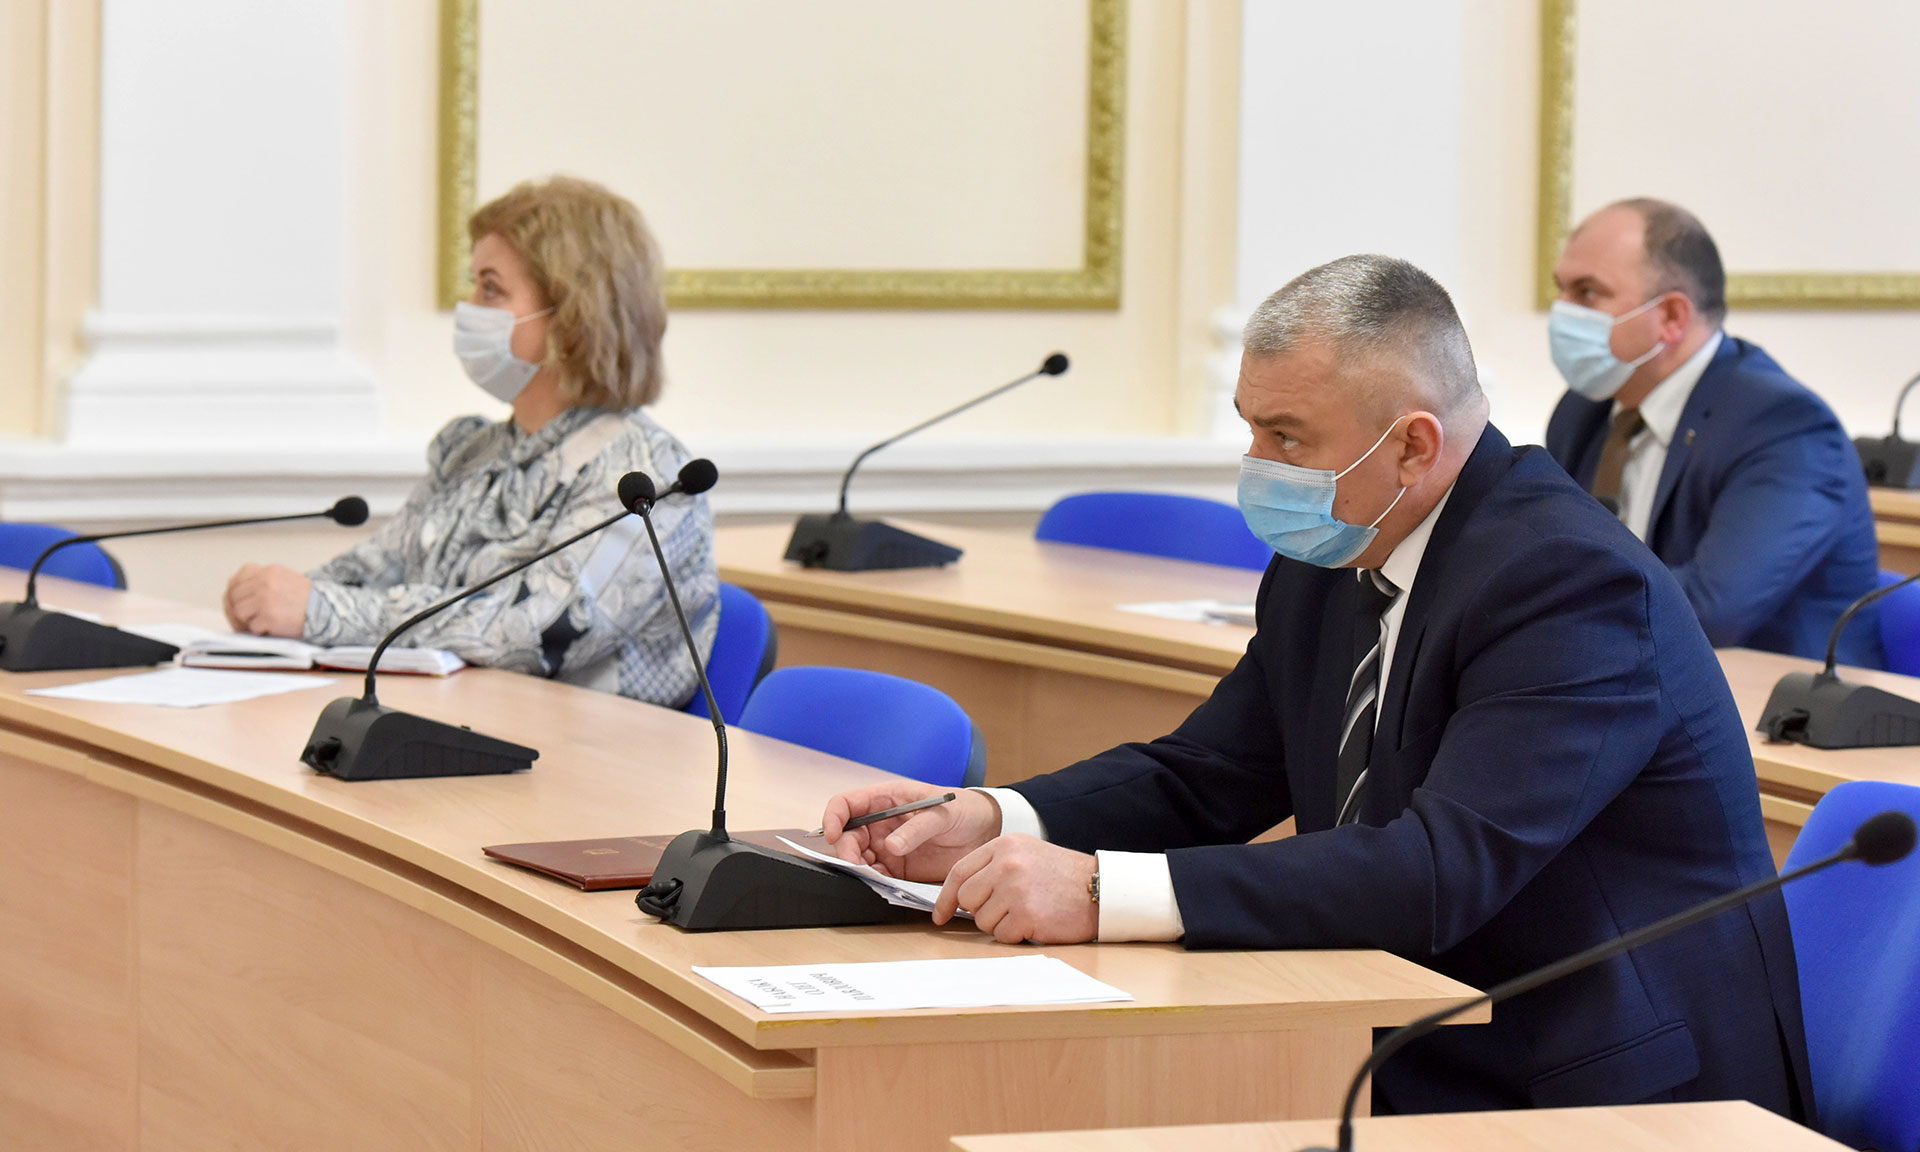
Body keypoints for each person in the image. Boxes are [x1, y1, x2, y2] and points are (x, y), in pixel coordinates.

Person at [821, 256, 1812, 1118]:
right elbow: (1209, 773)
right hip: (1407, 1023)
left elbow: (1440, 869)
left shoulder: (1568, 582)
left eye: (1288, 438)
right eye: (1251, 429)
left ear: (1414, 445)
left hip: (1599, 1081)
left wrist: (1095, 890)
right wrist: (996, 818)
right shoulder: (1338, 548)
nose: (1257, 466)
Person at [222, 176, 717, 707]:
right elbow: (376, 570)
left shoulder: (646, 475)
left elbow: (538, 629)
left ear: (573, 314)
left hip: (584, 746)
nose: (468, 306)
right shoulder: (474, 452)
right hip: (455, 723)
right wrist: (275, 599)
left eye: (490, 289)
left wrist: (320, 610)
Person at [1544, 198, 1883, 666]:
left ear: (1671, 317)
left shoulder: (1784, 425)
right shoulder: (1582, 410)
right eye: (1559, 289)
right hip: (1626, 678)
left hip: (1773, 697)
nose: (1561, 313)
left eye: (1586, 293)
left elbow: (1713, 610)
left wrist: (1542, 599)